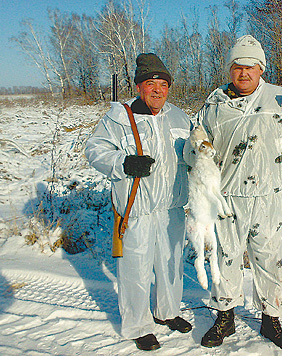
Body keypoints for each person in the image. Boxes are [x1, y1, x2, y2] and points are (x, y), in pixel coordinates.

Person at [184, 35, 282, 351]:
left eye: (251, 67)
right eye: (237, 67)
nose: (244, 73)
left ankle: (271, 321)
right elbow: (196, 141)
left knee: (271, 260)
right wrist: (199, 147)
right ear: (230, 70)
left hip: (270, 197)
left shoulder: (281, 98)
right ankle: (225, 316)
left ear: (261, 69)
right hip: (228, 197)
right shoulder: (215, 102)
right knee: (226, 257)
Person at [85, 53, 192, 351]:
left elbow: (191, 153)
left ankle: (167, 312)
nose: (157, 89)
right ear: (138, 86)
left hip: (171, 207)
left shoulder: (180, 117)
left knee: (171, 263)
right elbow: (95, 149)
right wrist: (123, 162)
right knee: (136, 268)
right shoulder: (119, 117)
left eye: (163, 83)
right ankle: (138, 324)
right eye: (150, 83)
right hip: (137, 209)